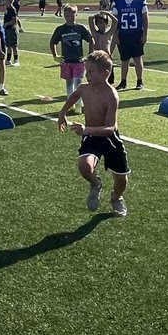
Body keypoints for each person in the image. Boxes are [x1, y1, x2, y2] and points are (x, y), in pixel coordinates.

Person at [57, 50, 129, 217]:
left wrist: (86, 130)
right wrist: (62, 113)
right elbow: (74, 96)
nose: (86, 74)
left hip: (110, 139)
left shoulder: (112, 95)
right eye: (86, 70)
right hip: (91, 138)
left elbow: (111, 127)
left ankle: (116, 198)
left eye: (91, 71)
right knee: (84, 166)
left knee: (121, 182)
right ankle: (96, 184)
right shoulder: (84, 89)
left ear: (106, 73)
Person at [50, 5, 93, 111]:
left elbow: (91, 41)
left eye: (73, 13)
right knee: (69, 83)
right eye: (68, 14)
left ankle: (79, 104)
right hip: (66, 61)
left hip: (78, 61)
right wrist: (55, 56)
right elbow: (53, 43)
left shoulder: (81, 28)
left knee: (78, 82)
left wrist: (88, 55)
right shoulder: (60, 29)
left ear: (76, 14)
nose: (71, 16)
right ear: (64, 15)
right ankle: (70, 103)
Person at [112, 0, 148, 90]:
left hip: (137, 33)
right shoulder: (118, 2)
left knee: (137, 58)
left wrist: (145, 34)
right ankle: (123, 81)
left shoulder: (140, 1)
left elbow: (145, 19)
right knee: (124, 59)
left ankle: (139, 81)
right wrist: (116, 36)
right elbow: (115, 21)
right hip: (123, 34)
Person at [3, 0, 22, 66]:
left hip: (11, 29)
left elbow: (14, 21)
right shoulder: (7, 9)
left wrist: (7, 23)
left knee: (14, 46)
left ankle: (16, 60)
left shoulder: (12, 10)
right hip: (7, 29)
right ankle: (8, 60)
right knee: (8, 45)